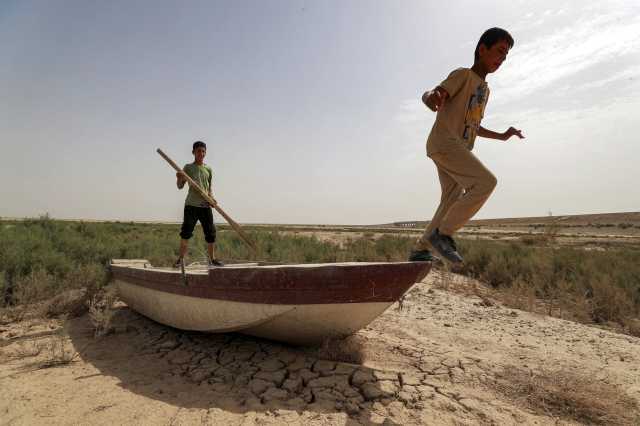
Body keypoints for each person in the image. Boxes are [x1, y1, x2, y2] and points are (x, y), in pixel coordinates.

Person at [409, 28, 524, 264]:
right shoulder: (463, 75)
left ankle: (420, 249)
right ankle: (443, 235)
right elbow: (435, 93)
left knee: (451, 198)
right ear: (482, 49)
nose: (502, 59)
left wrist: (503, 136)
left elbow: (474, 125)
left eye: (506, 56)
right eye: (500, 51)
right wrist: (431, 97)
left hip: (456, 148)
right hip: (445, 142)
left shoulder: (485, 90)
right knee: (485, 182)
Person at [174, 141, 224, 267]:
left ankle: (212, 259)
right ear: (193, 152)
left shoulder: (208, 169)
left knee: (211, 233)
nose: (201, 153)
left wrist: (212, 199)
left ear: (205, 153)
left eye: (203, 151)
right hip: (191, 206)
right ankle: (180, 260)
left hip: (205, 206)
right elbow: (180, 186)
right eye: (198, 151)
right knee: (186, 232)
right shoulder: (188, 168)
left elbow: (209, 188)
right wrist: (179, 177)